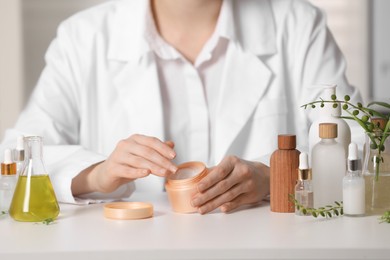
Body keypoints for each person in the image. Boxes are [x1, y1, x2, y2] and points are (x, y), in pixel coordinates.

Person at [0, 0, 361, 214]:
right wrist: (96, 174)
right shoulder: (83, 38)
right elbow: (14, 158)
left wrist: (273, 178)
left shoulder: (297, 25)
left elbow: (360, 147)